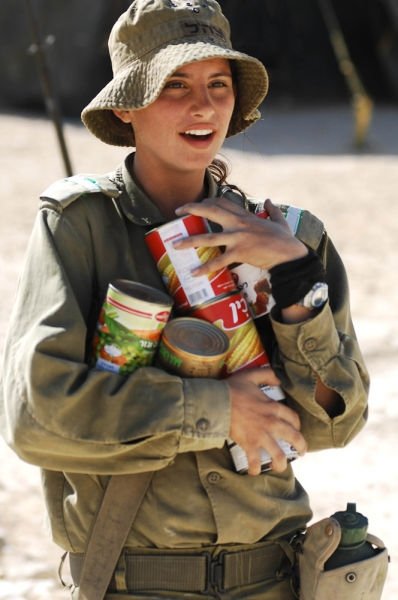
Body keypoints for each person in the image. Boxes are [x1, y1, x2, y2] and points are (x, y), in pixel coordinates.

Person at [1, 1, 369, 598]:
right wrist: (218, 410)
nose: (202, 106)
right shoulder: (82, 226)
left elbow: (335, 423)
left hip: (274, 579)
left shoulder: (292, 236)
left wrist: (296, 281)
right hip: (134, 582)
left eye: (218, 84)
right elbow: (36, 421)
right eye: (174, 84)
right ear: (126, 104)